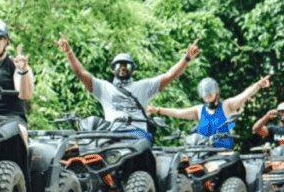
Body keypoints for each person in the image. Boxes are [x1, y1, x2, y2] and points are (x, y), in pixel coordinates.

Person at [55, 33, 201, 142]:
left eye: (127, 65)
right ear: (113, 69)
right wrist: (69, 52)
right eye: (119, 65)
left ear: (132, 69)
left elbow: (170, 76)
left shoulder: (143, 86)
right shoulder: (104, 88)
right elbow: (80, 72)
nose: (122, 68)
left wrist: (186, 58)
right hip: (112, 134)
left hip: (137, 134)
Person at [149, 76, 271, 148]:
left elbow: (244, 95)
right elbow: (179, 113)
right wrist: (159, 110)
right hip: (201, 151)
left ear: (217, 91)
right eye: (205, 96)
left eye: (210, 94)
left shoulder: (227, 106)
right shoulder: (199, 110)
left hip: (221, 152)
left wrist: (258, 85)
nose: (207, 98)